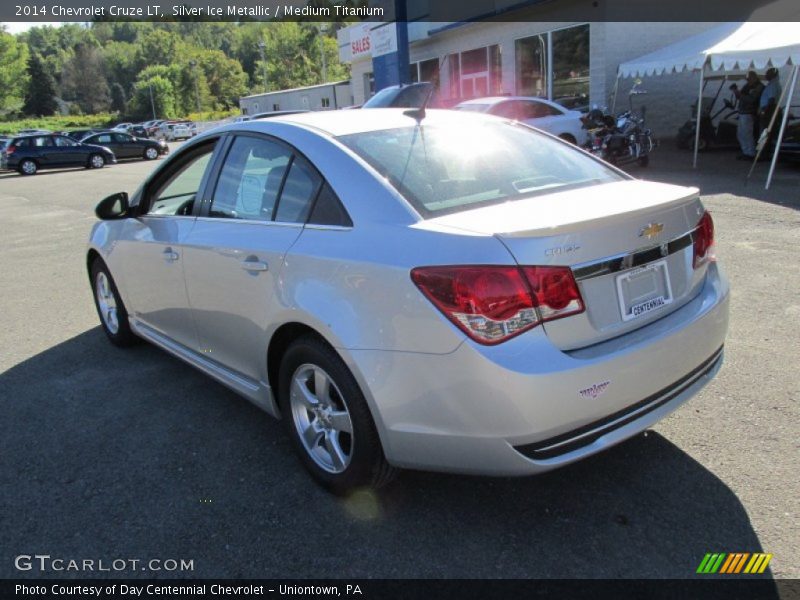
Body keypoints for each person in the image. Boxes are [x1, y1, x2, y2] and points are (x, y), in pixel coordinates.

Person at [730, 71, 764, 159]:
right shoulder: (747, 85)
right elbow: (741, 96)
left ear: (754, 77)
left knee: (747, 133)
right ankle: (745, 151)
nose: (747, 80)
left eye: (749, 78)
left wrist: (740, 94)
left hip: (750, 112)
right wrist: (735, 91)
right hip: (742, 112)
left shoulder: (759, 87)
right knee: (740, 133)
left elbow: (752, 99)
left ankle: (751, 153)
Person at [759, 67, 782, 146]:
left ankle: (763, 152)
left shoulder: (773, 85)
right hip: (771, 109)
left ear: (772, 75)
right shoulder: (774, 84)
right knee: (768, 131)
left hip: (769, 111)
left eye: (767, 74)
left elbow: (771, 99)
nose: (765, 75)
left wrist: (764, 111)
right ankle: (764, 150)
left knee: (765, 131)